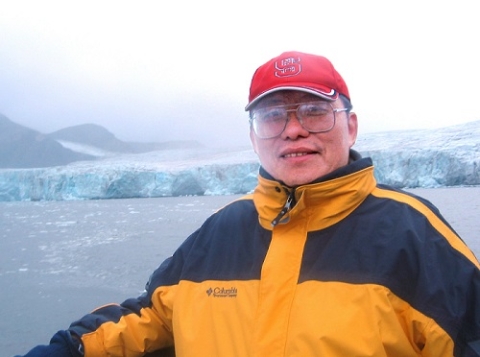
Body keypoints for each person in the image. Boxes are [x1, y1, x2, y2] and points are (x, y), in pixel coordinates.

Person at [15, 51, 480, 357]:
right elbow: (154, 314)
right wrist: (68, 348)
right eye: (273, 116)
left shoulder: (414, 234)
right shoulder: (222, 229)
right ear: (254, 137)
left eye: (314, 111)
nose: (293, 130)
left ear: (351, 126)